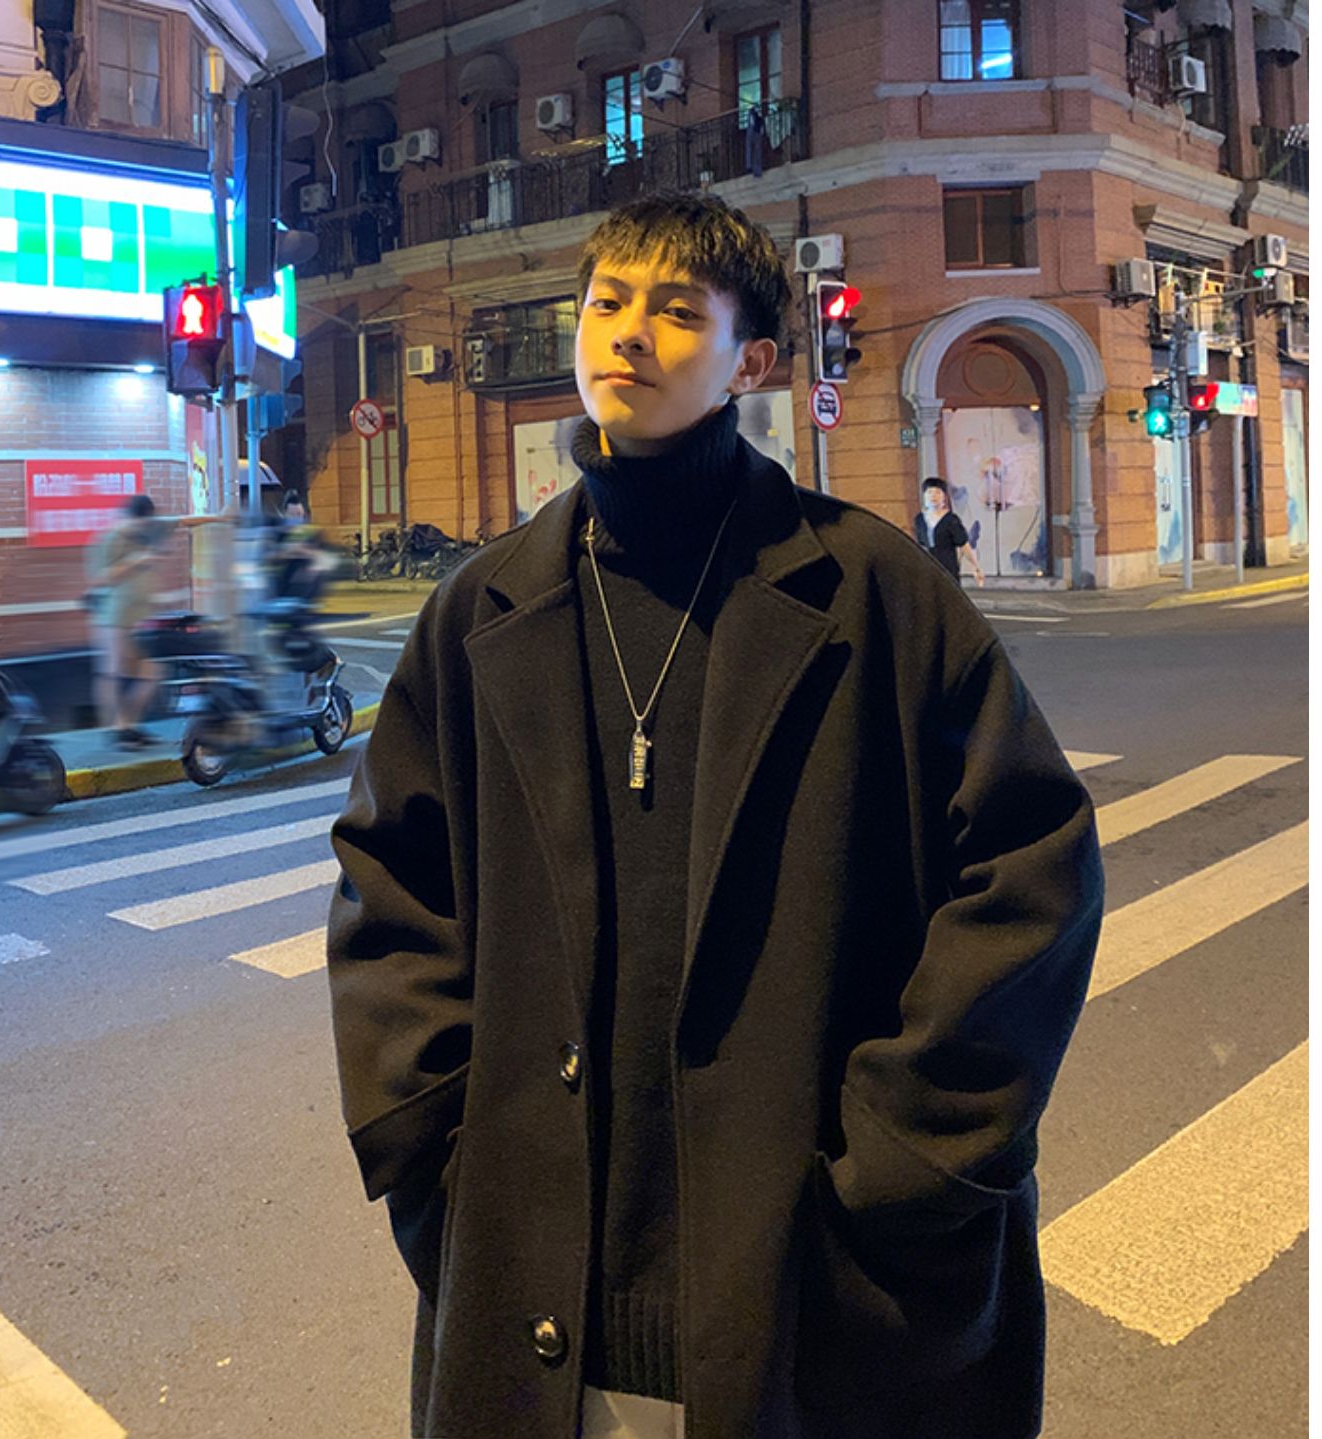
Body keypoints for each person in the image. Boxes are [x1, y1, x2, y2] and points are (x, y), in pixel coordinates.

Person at [327, 190, 1104, 1439]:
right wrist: (438, 1149)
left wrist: (900, 1165)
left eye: (679, 311)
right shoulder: (484, 610)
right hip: (542, 1285)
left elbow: (1032, 869)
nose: (629, 333)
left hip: (816, 1288)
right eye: (608, 302)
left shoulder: (872, 592)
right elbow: (390, 888)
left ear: (753, 361)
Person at [85, 493, 226, 749]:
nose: (141, 529)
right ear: (126, 517)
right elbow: (99, 579)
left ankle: (128, 725)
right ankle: (116, 730)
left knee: (152, 674)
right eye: (137, 524)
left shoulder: (151, 527)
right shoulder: (109, 540)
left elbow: (184, 520)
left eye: (145, 524)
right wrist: (136, 561)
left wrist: (219, 517)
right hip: (115, 616)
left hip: (144, 618)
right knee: (114, 671)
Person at [914, 477, 985, 586]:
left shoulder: (951, 520)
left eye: (938, 492)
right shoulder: (919, 520)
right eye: (929, 492)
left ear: (944, 496)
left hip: (947, 567)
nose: (933, 496)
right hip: (927, 568)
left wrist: (976, 566)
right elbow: (921, 545)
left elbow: (964, 545)